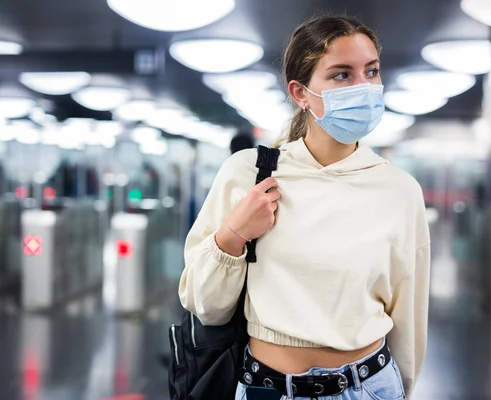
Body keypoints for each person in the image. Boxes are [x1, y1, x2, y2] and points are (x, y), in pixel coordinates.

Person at [179, 14, 430, 400]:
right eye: (342, 75)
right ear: (300, 93)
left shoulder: (399, 190)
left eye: (372, 71)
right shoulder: (250, 173)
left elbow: (408, 319)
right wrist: (233, 235)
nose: (364, 87)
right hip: (268, 389)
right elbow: (204, 305)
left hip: (370, 387)